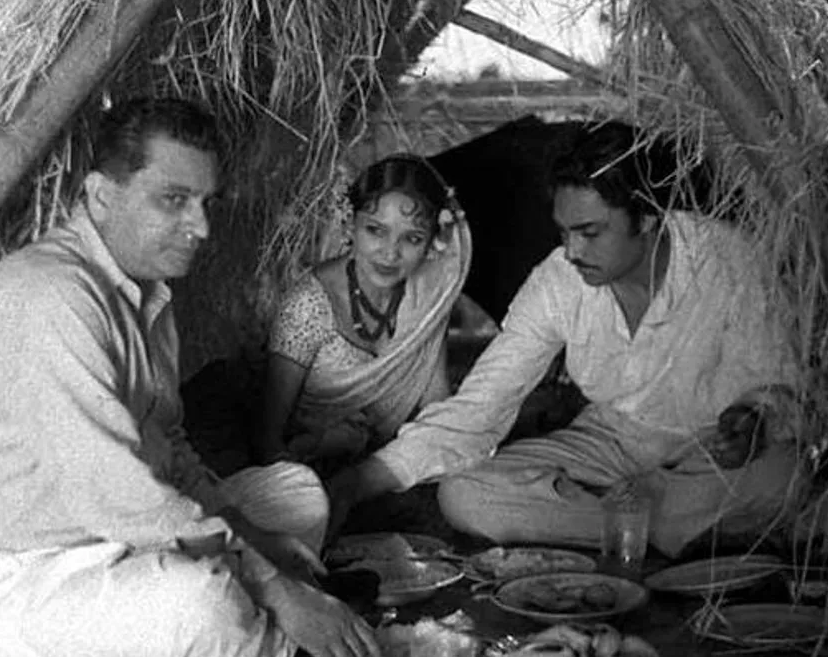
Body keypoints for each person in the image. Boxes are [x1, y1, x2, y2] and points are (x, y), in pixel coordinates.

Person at [0, 97, 382, 657]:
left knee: (296, 493)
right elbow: (121, 492)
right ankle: (243, 651)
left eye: (207, 203)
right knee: (200, 606)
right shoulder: (48, 298)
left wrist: (257, 544)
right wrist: (278, 586)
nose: (202, 228)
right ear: (101, 197)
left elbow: (170, 452)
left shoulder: (146, 295)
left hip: (110, 543)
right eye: (173, 200)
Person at [328, 121, 800, 558]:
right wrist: (357, 483)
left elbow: (780, 388)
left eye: (590, 232)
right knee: (466, 494)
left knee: (785, 474)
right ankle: (662, 527)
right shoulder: (557, 281)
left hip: (707, 450)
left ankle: (638, 520)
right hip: (609, 443)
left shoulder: (728, 259)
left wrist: (753, 418)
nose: (572, 251)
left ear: (648, 218)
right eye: (563, 232)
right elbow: (480, 406)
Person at [257, 154, 471, 473]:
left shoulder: (428, 296)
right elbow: (266, 440)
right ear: (350, 225)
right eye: (375, 230)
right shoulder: (308, 305)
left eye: (412, 238)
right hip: (299, 470)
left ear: (430, 244)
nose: (390, 252)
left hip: (381, 464)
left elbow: (435, 403)